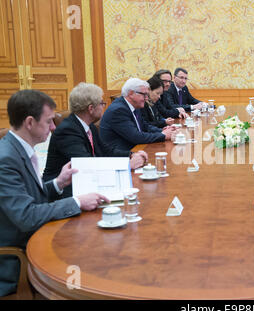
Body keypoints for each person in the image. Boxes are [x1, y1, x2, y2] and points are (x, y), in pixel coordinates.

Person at [0, 90, 109, 297]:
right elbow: (26, 216)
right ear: (30, 122)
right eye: (49, 121)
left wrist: (58, 183)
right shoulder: (6, 160)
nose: (53, 127)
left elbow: (31, 196)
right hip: (17, 259)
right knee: (96, 261)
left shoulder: (21, 149)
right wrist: (77, 201)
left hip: (38, 236)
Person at [43, 83, 148, 198]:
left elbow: (105, 150)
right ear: (91, 108)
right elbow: (87, 164)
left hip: (84, 182)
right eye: (102, 103)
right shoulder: (68, 130)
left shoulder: (89, 125)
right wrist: (126, 165)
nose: (104, 107)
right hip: (64, 192)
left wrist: (131, 155)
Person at [100, 78, 176, 151]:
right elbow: (135, 137)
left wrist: (162, 130)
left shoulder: (134, 105)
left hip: (136, 149)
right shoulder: (118, 110)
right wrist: (163, 135)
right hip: (121, 156)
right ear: (131, 93)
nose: (146, 98)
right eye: (144, 95)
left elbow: (144, 126)